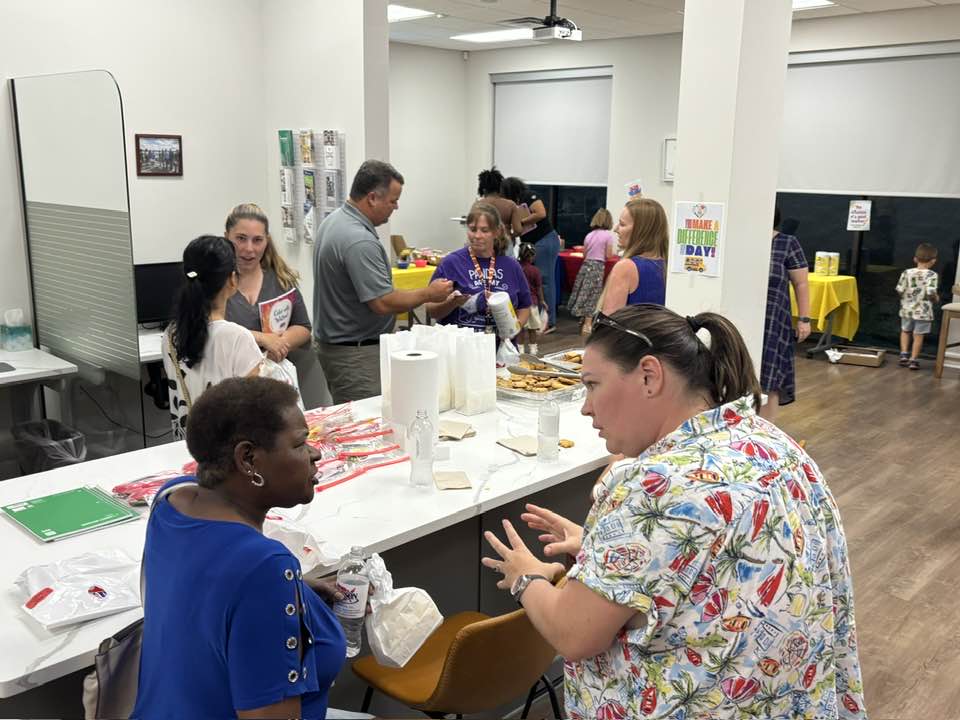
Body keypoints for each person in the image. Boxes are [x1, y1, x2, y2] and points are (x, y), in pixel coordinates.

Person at [481, 305, 866, 720]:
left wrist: (526, 576)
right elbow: (712, 566)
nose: (586, 408)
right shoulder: (773, 444)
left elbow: (574, 633)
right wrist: (601, 550)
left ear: (649, 375)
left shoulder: (656, 486)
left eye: (593, 385)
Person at [132, 377, 345, 720]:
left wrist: (296, 592)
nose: (315, 453)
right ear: (248, 459)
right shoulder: (264, 567)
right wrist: (273, 587)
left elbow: (207, 588)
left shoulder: (171, 501)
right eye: (300, 443)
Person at [312, 160, 453, 403]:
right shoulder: (359, 240)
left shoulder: (334, 220)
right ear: (372, 198)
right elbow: (382, 302)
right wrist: (429, 293)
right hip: (356, 355)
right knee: (366, 418)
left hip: (339, 346)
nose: (396, 207)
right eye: (393, 201)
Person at [162, 236, 262, 440]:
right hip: (230, 452)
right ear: (232, 279)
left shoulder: (171, 334)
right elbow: (254, 410)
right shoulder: (238, 339)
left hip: (188, 445)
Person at [224, 203, 312, 366]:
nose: (249, 248)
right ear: (226, 237)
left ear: (267, 241)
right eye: (241, 239)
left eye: (257, 240)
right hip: (229, 376)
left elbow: (303, 327)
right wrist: (262, 338)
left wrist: (279, 345)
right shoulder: (214, 284)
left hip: (273, 375)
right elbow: (209, 332)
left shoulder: (281, 280)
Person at [426, 202, 531, 333]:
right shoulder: (451, 263)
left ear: (497, 232)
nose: (477, 236)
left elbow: (524, 306)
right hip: (461, 342)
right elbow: (431, 310)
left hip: (500, 343)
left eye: (484, 230)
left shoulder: (511, 266)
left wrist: (515, 327)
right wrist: (452, 303)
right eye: (473, 229)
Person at [760, 207, 811, 421]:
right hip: (741, 318)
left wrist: (804, 319)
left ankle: (765, 430)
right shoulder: (743, 241)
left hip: (774, 321)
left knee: (770, 376)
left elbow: (801, 283)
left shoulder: (787, 243)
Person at [501, 176, 561, 333]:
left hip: (545, 240)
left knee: (545, 281)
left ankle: (549, 321)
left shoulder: (528, 195)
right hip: (534, 243)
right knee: (536, 280)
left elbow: (541, 213)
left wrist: (520, 222)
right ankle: (537, 318)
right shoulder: (514, 204)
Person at [600, 198, 667, 315]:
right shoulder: (665, 266)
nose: (615, 229)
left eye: (622, 224)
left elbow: (610, 321)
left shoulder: (626, 267)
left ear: (640, 230)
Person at [568, 208, 617, 335]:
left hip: (585, 266)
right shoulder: (608, 236)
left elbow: (584, 254)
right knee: (593, 295)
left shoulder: (589, 235)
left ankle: (582, 318)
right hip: (597, 267)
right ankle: (588, 324)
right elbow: (608, 255)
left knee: (583, 291)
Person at [896, 242, 939, 370]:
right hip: (923, 312)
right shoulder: (932, 275)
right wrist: (936, 298)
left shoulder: (906, 272)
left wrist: (905, 299)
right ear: (933, 261)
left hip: (907, 310)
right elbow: (931, 292)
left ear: (915, 259)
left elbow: (899, 289)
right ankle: (913, 360)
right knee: (918, 335)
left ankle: (904, 355)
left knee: (905, 331)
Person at [477, 167, 523, 255]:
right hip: (505, 244)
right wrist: (509, 236)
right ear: (500, 187)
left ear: (483, 189)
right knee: (506, 264)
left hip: (485, 244)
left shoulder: (478, 205)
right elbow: (518, 230)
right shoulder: (510, 205)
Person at [517, 242, 546, 355]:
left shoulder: (517, 268)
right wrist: (542, 301)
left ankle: (520, 349)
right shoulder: (535, 270)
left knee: (520, 327)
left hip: (519, 303)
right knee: (532, 328)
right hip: (532, 303)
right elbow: (539, 288)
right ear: (532, 256)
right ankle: (533, 349)